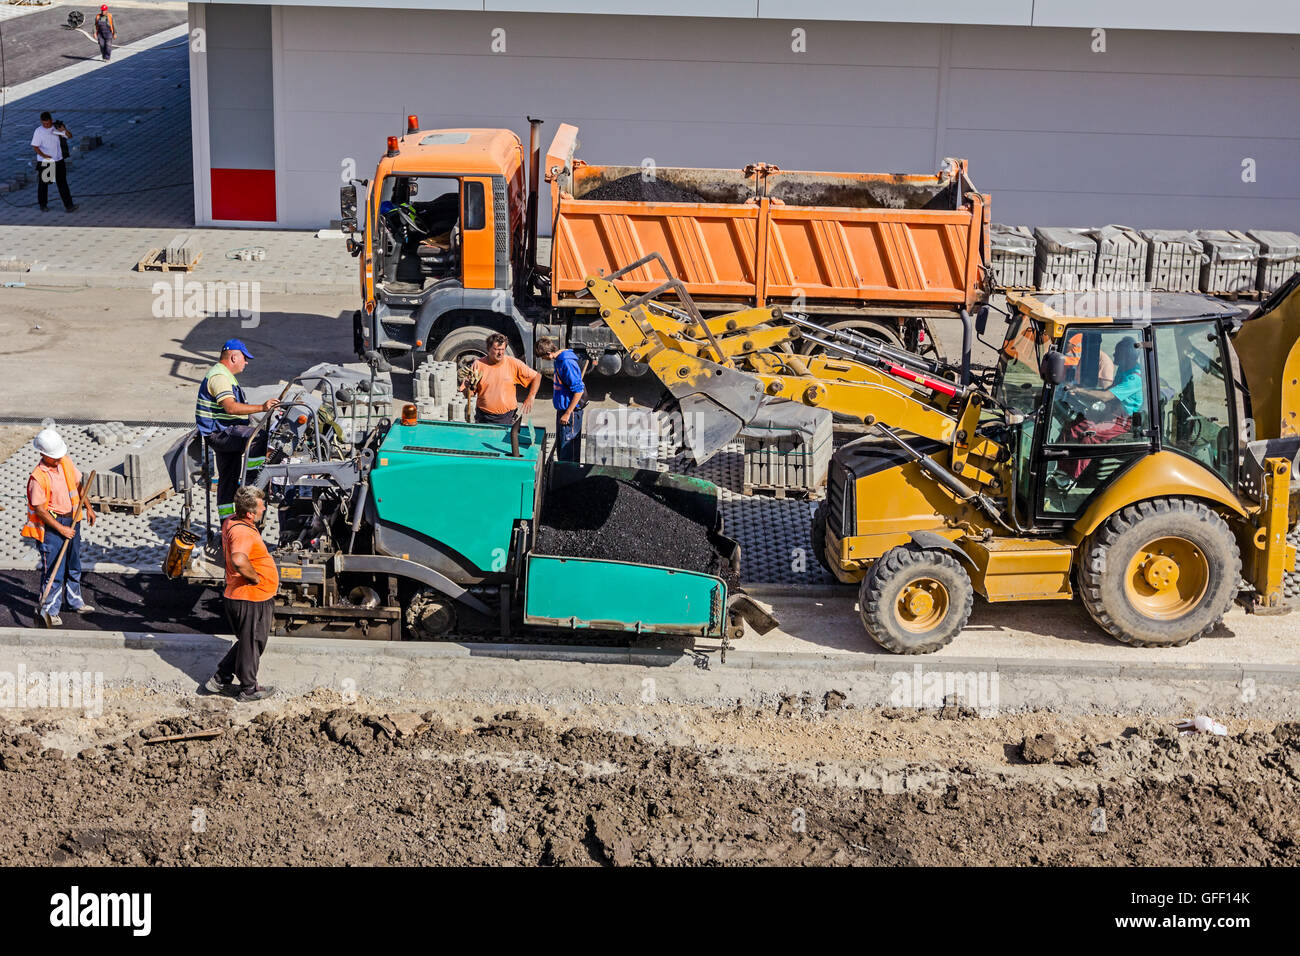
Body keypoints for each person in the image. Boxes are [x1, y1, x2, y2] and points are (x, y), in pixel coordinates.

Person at [204, 486, 277, 702]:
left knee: (248, 641)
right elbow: (238, 559)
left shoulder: (233, 521)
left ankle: (221, 678)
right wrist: (255, 578)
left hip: (246, 597)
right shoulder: (242, 532)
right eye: (260, 507)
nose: (264, 508)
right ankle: (249, 689)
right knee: (254, 643)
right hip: (250, 597)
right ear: (249, 513)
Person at [195, 339, 279, 521]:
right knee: (258, 437)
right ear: (233, 357)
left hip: (219, 432)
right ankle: (252, 482)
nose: (246, 362)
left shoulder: (223, 376)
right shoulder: (220, 377)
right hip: (220, 432)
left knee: (228, 479)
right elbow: (231, 408)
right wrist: (262, 407)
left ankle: (228, 523)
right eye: (244, 358)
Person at [23, 428, 96, 627]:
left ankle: (74, 601)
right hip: (52, 528)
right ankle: (50, 611)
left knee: (74, 565)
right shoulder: (38, 478)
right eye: (54, 457)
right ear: (43, 454)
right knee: (54, 570)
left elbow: (79, 485)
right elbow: (40, 510)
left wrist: (88, 509)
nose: (58, 459)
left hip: (73, 520)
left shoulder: (64, 461)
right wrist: (61, 529)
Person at [1060, 335, 1145, 476]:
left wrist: (1080, 390)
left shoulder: (1134, 377)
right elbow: (1109, 390)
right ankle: (1061, 471)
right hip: (1110, 413)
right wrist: (1083, 394)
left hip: (1123, 421)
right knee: (1072, 428)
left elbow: (1108, 396)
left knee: (1089, 436)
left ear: (1127, 354)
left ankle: (1072, 478)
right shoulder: (1124, 369)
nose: (1114, 354)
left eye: (1117, 352)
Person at [462, 332, 540, 426]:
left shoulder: (513, 363)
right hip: (483, 417)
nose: (500, 353)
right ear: (488, 349)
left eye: (502, 349)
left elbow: (536, 376)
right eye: (497, 349)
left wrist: (531, 397)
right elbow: (468, 394)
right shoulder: (478, 365)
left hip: (507, 417)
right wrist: (468, 388)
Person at [537, 336, 585, 461]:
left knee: (569, 453)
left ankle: (570, 478)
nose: (543, 359)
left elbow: (579, 390)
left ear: (549, 352)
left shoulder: (566, 363)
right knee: (562, 450)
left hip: (571, 413)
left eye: (543, 357)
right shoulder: (558, 359)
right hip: (563, 411)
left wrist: (568, 413)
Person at [31, 112, 77, 213]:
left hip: (58, 160)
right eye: (44, 124)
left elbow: (69, 136)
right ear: (41, 122)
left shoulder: (57, 128)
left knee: (62, 183)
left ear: (51, 120)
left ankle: (69, 206)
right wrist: (44, 156)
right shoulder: (38, 131)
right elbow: (35, 146)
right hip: (46, 161)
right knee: (44, 184)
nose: (46, 125)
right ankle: (43, 205)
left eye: (47, 123)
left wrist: (64, 130)